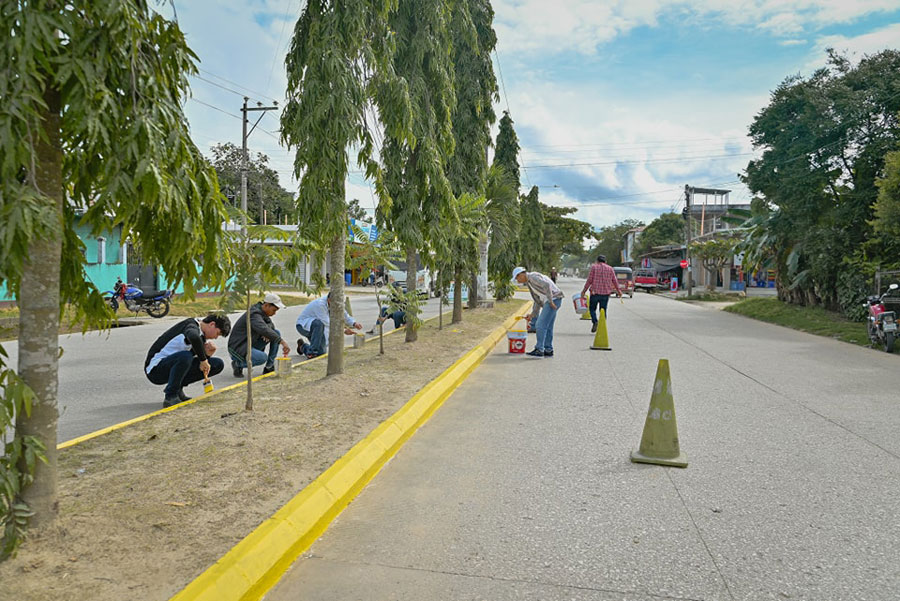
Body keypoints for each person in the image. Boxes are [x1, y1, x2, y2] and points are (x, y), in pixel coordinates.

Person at [144, 313, 231, 408]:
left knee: (217, 364)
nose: (215, 338)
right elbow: (193, 337)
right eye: (217, 333)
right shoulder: (191, 326)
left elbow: (195, 361)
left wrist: (207, 355)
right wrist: (203, 359)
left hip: (173, 364)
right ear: (212, 324)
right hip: (155, 369)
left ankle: (178, 389)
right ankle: (171, 395)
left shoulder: (201, 337)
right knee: (185, 356)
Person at [228, 292, 292, 377]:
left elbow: (270, 326)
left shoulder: (263, 313)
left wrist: (266, 331)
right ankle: (238, 364)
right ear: (266, 305)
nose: (274, 313)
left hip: (250, 343)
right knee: (262, 358)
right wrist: (282, 342)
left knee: (276, 333)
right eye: (274, 310)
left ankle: (269, 366)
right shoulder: (254, 314)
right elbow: (263, 329)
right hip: (239, 347)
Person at [513, 266, 564, 358]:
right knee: (548, 326)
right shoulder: (529, 282)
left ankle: (539, 349)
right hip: (554, 299)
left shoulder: (533, 277)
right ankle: (548, 349)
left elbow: (546, 285)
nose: (517, 280)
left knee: (540, 325)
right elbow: (538, 300)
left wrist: (550, 301)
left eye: (517, 278)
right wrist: (532, 315)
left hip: (554, 299)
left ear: (521, 275)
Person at [295, 292, 362, 359]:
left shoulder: (336, 303)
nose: (337, 306)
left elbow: (344, 315)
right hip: (303, 326)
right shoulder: (320, 305)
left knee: (321, 353)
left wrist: (354, 323)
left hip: (318, 330)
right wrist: (344, 330)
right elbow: (327, 323)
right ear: (329, 300)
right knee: (319, 324)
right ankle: (311, 352)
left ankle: (302, 347)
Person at [580, 254, 622, 333]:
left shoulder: (594, 267)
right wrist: (619, 291)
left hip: (595, 293)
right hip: (605, 293)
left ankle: (595, 321)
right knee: (603, 310)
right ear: (605, 261)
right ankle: (602, 326)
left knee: (592, 309)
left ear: (597, 261)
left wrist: (584, 291)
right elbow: (614, 280)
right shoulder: (610, 269)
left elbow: (589, 280)